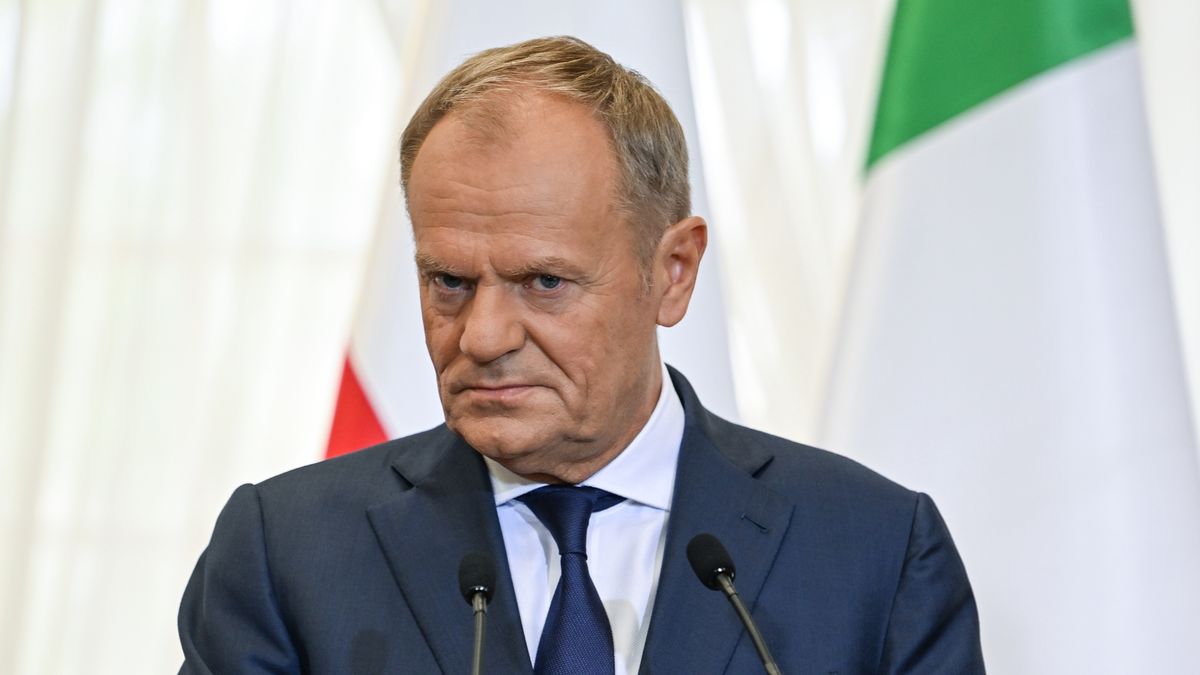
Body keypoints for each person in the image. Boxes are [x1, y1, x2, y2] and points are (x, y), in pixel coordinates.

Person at [178, 36, 984, 674]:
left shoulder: (874, 552)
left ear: (672, 273)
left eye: (545, 281)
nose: (484, 336)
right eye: (450, 281)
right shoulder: (288, 555)